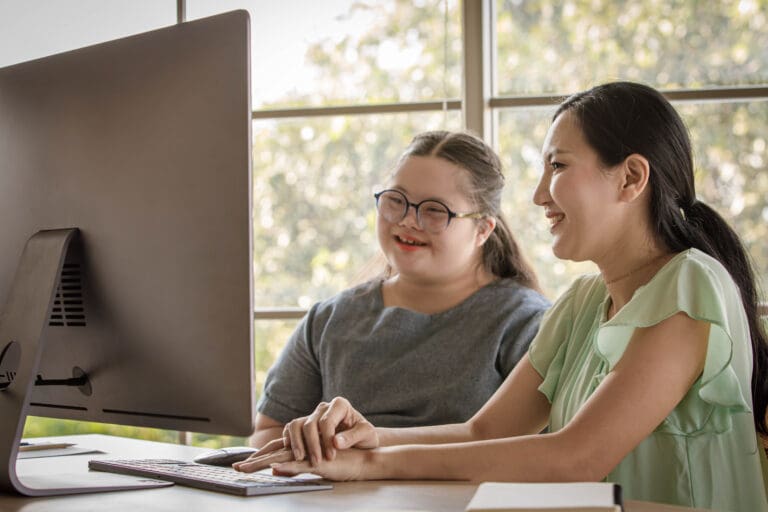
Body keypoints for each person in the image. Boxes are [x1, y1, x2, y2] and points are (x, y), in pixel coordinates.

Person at [236, 82, 768, 512]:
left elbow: (573, 458)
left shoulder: (690, 284)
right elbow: (482, 429)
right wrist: (368, 442)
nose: (538, 195)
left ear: (630, 178)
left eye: (557, 167)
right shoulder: (582, 302)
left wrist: (372, 466)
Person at [250, 130, 551, 450]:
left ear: (482, 230)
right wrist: (303, 443)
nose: (408, 220)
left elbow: (535, 452)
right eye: (396, 201)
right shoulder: (329, 319)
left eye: (434, 210)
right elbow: (267, 433)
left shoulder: (525, 323)